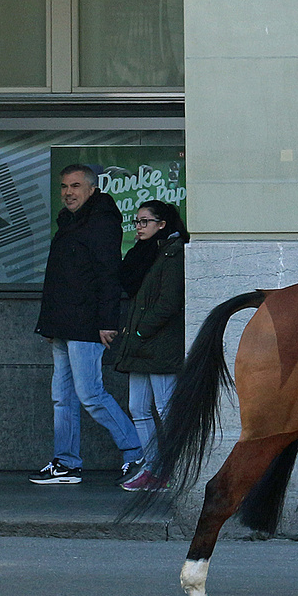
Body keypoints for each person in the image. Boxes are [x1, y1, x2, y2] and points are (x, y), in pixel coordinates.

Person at [31, 163, 144, 485]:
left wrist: (108, 322)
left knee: (91, 395)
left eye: (76, 186)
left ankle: (136, 453)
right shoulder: (71, 221)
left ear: (92, 189)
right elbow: (63, 279)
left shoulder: (101, 224)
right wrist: (49, 325)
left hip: (87, 325)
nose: (68, 192)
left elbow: (109, 276)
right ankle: (66, 463)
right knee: (62, 398)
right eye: (65, 186)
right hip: (64, 325)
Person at [113, 200, 187, 492]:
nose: (139, 227)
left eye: (145, 221)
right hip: (142, 343)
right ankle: (153, 466)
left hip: (159, 343)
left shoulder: (173, 252)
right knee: (138, 408)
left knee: (165, 407)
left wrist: (142, 330)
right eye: (137, 222)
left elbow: (169, 302)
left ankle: (169, 468)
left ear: (162, 224)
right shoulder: (147, 254)